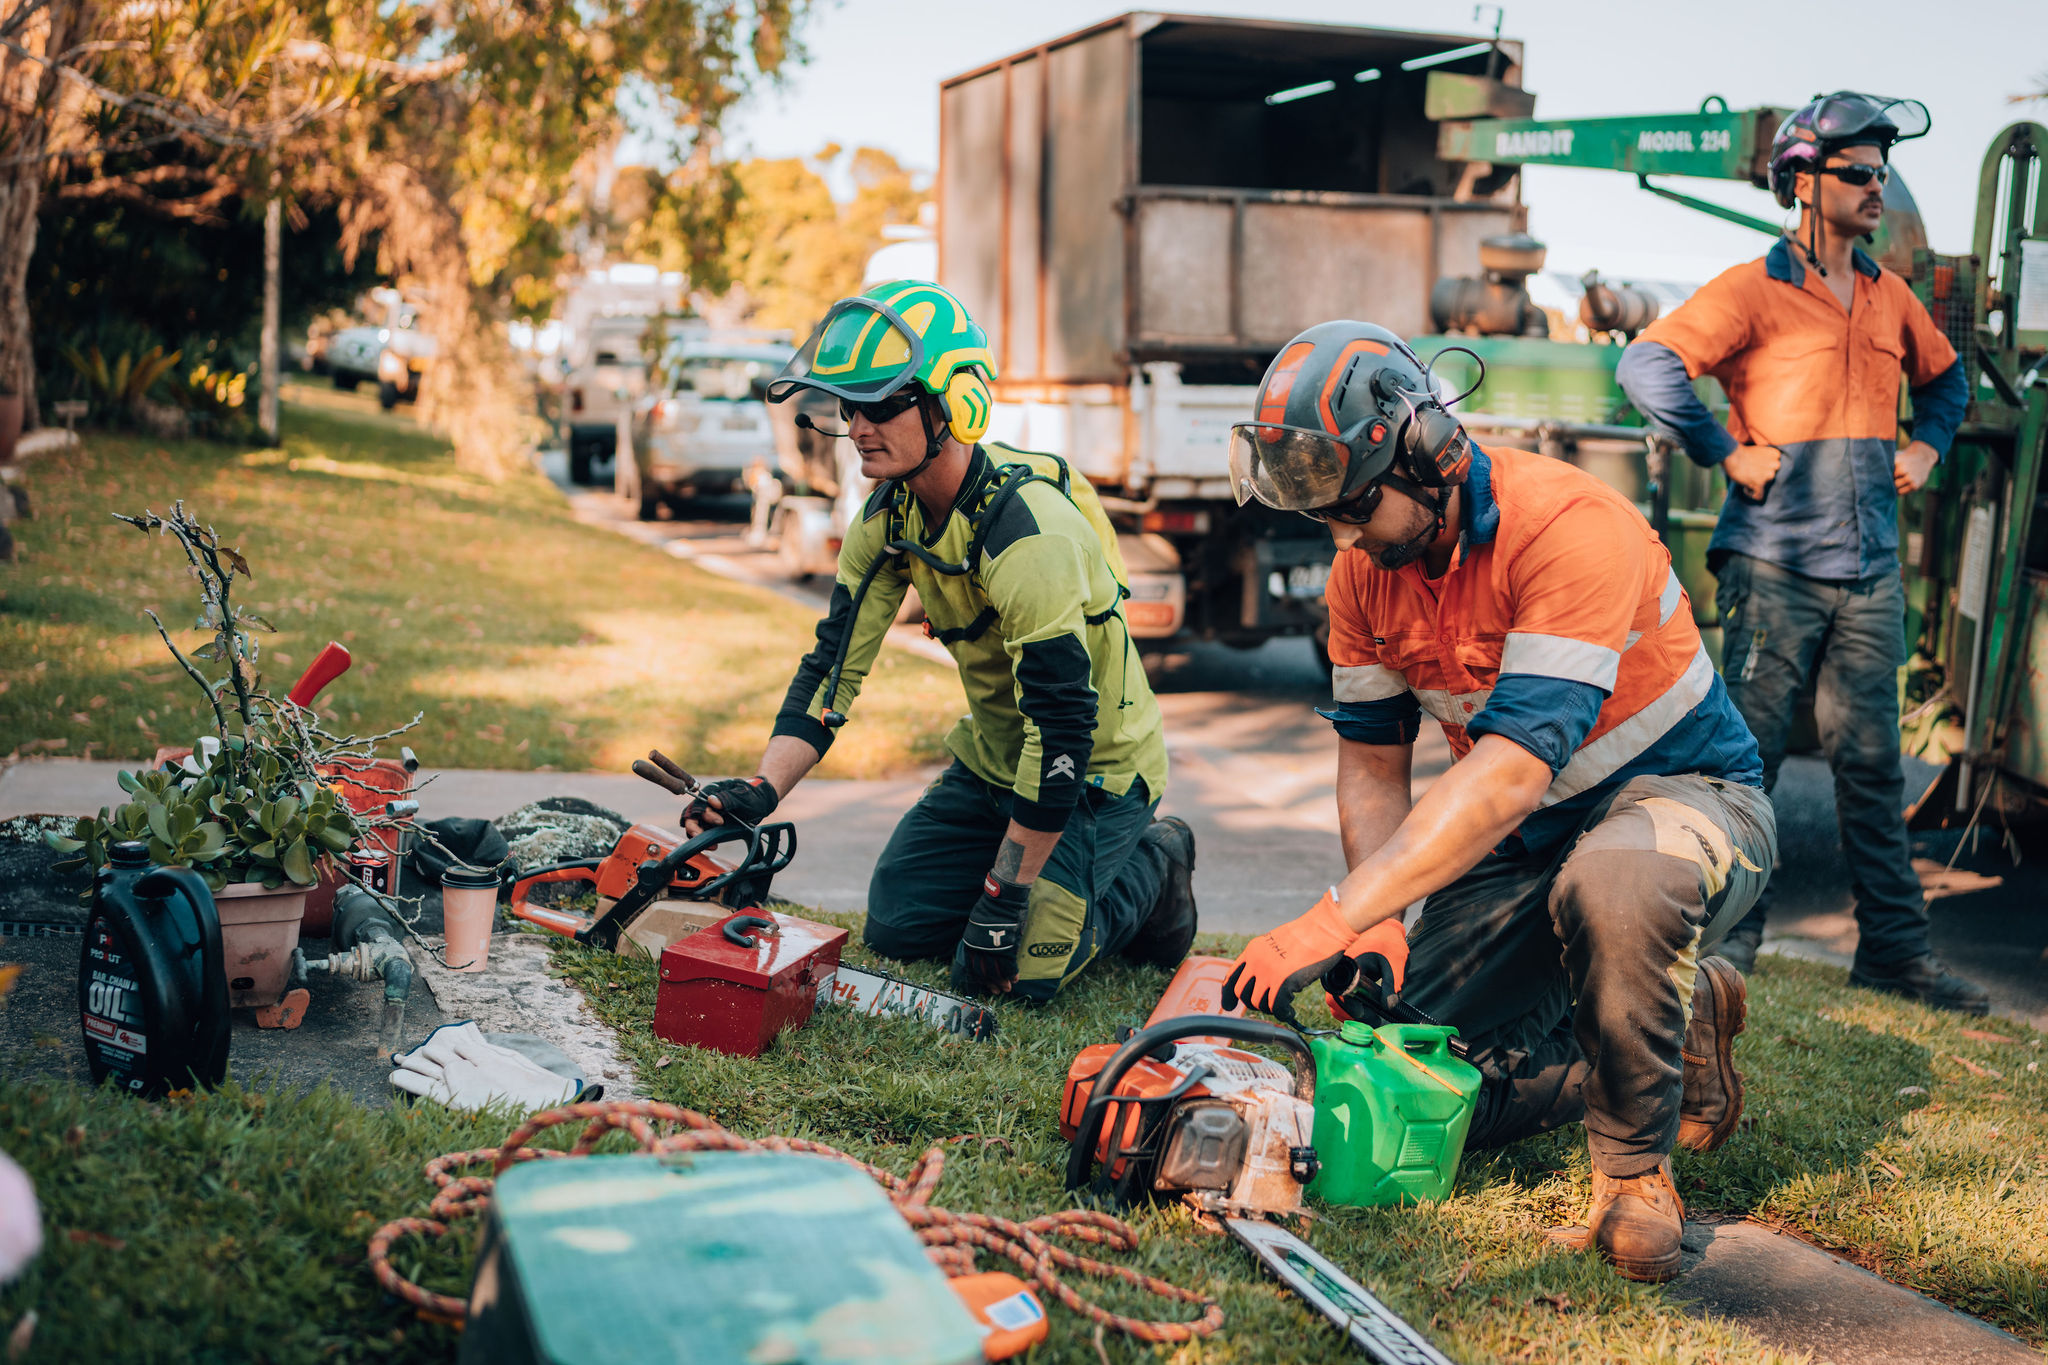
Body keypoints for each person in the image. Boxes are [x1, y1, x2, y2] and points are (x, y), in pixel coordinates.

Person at [1219, 321, 1777, 1282]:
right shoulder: (1365, 572)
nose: (1343, 538)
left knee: (1618, 884)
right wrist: (1380, 924)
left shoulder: (1568, 527)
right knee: (1404, 1076)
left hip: (1689, 803)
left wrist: (1326, 919)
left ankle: (1635, 1175)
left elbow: (1514, 769)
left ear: (1428, 453)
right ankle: (1669, 1038)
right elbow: (1371, 765)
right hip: (1531, 840)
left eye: (1356, 506)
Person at [680, 280, 1194, 1002]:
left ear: (955, 401)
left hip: (1095, 775)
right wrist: (760, 789)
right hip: (994, 762)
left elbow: (1065, 735)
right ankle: (1033, 870)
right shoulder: (886, 521)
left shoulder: (1027, 536)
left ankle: (1157, 862)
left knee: (1017, 970)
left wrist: (1005, 895)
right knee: (897, 926)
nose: (858, 426)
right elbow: (832, 670)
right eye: (849, 404)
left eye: (883, 403)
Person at [1616, 91, 1987, 1013]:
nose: (1877, 185)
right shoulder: (1751, 290)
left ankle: (1893, 953)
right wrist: (1722, 450)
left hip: (1868, 575)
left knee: (1872, 768)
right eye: (1859, 172)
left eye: (1882, 171)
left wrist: (1928, 446)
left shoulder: (1891, 296)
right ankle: (1726, 956)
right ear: (1803, 184)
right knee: (1750, 766)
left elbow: (1949, 383)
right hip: (1774, 568)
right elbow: (1647, 364)